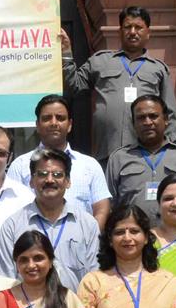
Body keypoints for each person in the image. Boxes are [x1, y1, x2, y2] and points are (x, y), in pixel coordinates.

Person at [61, 5, 176, 162]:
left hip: (145, 155)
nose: (132, 32)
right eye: (127, 27)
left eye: (138, 27)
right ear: (119, 31)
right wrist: (66, 53)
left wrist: (169, 151)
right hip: (106, 152)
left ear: (148, 33)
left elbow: (170, 113)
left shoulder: (158, 69)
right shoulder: (100, 61)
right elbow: (74, 85)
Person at [0, 149, 100, 291]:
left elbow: (96, 279)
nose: (50, 180)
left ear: (68, 181)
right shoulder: (12, 226)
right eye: (42, 174)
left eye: (57, 174)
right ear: (31, 181)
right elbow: (5, 281)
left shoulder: (88, 224)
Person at [9, 95, 113, 227]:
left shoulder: (90, 165)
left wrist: (90, 240)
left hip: (81, 245)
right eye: (47, 118)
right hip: (33, 244)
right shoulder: (20, 165)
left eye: (60, 118)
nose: (54, 123)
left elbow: (101, 209)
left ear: (69, 125)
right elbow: (12, 210)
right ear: (37, 125)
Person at [106, 96, 176, 227]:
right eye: (141, 118)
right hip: (133, 240)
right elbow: (109, 206)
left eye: (153, 116)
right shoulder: (118, 158)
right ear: (133, 123)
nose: (147, 122)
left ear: (166, 120)